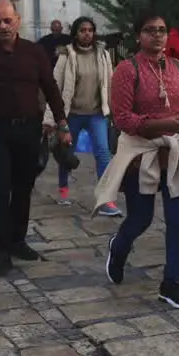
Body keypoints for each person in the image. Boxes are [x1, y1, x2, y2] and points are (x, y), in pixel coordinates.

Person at [97, 13, 179, 310]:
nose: (157, 36)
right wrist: (161, 125)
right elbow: (122, 118)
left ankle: (171, 285)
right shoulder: (127, 70)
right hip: (140, 154)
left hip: (175, 151)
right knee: (141, 218)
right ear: (138, 36)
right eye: (149, 31)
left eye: (161, 30)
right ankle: (118, 247)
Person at [0, 0, 72, 278]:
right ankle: (0, 250)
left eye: (7, 21)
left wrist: (62, 123)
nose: (3, 26)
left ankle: (18, 240)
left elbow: (50, 88)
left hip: (28, 130)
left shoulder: (35, 53)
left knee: (23, 186)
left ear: (18, 20)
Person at [47, 17, 121, 216]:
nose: (86, 33)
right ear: (76, 34)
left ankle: (105, 200)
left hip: (97, 113)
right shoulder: (66, 55)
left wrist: (115, 110)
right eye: (82, 30)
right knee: (66, 153)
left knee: (103, 153)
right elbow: (54, 87)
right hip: (72, 114)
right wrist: (50, 119)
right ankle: (63, 188)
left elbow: (110, 84)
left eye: (90, 30)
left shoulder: (103, 54)